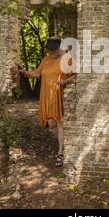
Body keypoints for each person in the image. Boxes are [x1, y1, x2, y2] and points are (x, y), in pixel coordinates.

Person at [18, 36, 75, 167]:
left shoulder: (67, 59)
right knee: (50, 123)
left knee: (60, 123)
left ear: (60, 47)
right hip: (46, 96)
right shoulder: (46, 59)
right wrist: (25, 72)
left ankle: (61, 152)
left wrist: (65, 81)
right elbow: (37, 73)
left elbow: (76, 74)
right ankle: (64, 145)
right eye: (49, 51)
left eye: (53, 51)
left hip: (59, 95)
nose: (51, 53)